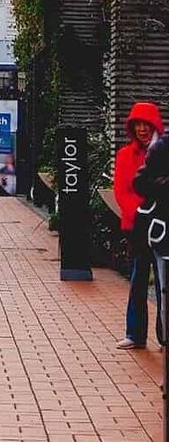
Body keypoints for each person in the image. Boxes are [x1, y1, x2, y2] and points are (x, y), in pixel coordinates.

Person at [114, 100, 163, 348]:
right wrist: (143, 213)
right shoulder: (125, 155)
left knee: (165, 284)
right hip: (138, 227)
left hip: (163, 226)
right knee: (138, 278)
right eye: (137, 125)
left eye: (147, 124)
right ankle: (135, 334)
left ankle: (164, 335)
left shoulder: (163, 152)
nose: (142, 129)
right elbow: (122, 191)